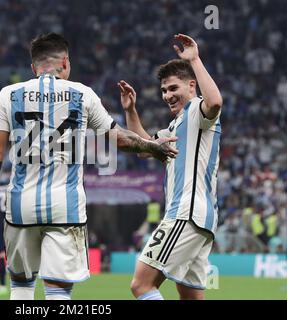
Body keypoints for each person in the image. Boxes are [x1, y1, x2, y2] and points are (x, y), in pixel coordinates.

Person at [0, 32, 178, 301]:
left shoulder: (8, 95)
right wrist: (154, 146)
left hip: (20, 205)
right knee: (58, 290)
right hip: (65, 205)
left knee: (21, 287)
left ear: (33, 67)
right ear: (66, 63)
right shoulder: (82, 94)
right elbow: (119, 139)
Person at [119, 34, 223, 300]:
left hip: (185, 214)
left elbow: (215, 103)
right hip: (202, 219)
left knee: (141, 285)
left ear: (191, 86)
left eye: (173, 88)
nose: (167, 95)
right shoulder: (175, 127)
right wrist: (131, 111)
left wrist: (195, 60)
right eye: (164, 90)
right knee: (190, 295)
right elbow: (143, 148)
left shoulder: (198, 112)